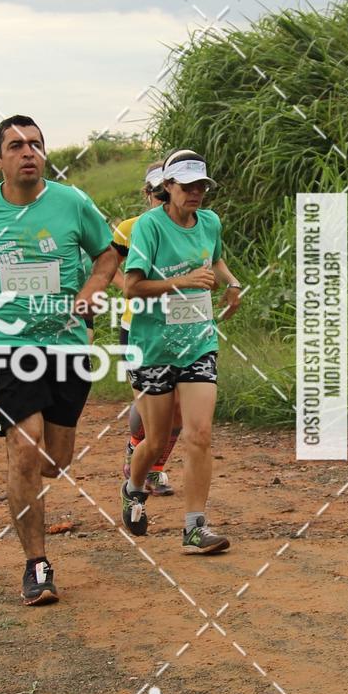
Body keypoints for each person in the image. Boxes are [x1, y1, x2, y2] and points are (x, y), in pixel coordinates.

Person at [0, 114, 117, 605]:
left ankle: (26, 482)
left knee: (53, 461)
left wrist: (92, 289)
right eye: (16, 146)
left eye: (35, 145)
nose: (28, 153)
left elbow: (107, 255)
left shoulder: (72, 202)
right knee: (25, 446)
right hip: (5, 342)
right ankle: (37, 564)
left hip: (66, 345)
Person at [122, 149, 241, 553]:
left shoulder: (209, 221)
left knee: (200, 434)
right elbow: (131, 286)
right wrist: (184, 281)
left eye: (200, 186)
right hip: (154, 346)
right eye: (186, 186)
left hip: (198, 342)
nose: (195, 193)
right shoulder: (148, 227)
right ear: (167, 187)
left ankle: (195, 527)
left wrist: (232, 282)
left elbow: (216, 257)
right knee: (155, 442)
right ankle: (134, 487)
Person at [112, 163, 183, 497]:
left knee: (180, 409)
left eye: (165, 192)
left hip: (181, 327)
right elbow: (108, 266)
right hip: (138, 328)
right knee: (147, 407)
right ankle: (134, 449)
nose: (161, 199)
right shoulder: (129, 228)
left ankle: (154, 468)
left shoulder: (189, 226)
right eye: (156, 194)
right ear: (147, 194)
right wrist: (129, 287)